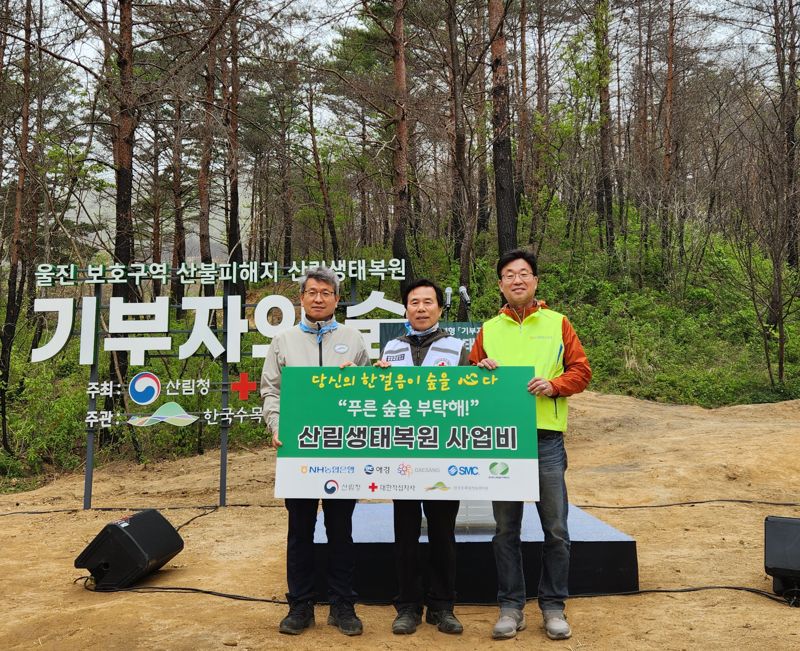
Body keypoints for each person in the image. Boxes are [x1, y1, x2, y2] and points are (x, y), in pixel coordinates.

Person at [468, 249, 591, 641]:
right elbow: (469, 383)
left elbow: (582, 371)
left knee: (555, 528)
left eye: (524, 274)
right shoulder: (488, 329)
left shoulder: (559, 323)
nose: (517, 280)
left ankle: (553, 607)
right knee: (505, 530)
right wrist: (479, 370)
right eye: (509, 274)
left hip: (546, 440)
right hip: (502, 443)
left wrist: (554, 385)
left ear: (535, 281)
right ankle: (510, 606)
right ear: (500, 284)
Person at [260, 266, 371, 636]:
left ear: (337, 299)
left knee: (342, 530)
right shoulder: (284, 340)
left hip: (343, 454)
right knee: (300, 530)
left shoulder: (354, 339)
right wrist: (277, 427)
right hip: (300, 454)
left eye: (326, 292)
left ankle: (343, 605)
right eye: (312, 292)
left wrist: (356, 382)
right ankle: (301, 606)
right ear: (302, 298)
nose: (319, 298)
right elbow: (271, 391)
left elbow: (369, 392)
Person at [376, 279, 469, 636]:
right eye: (414, 302)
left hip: (444, 455)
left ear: (439, 309)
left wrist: (486, 372)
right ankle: (408, 606)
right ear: (405, 309)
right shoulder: (391, 348)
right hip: (402, 455)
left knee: (443, 533)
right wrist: (376, 377)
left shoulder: (457, 347)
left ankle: (443, 606)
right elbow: (379, 403)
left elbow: (473, 397)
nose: (420, 308)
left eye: (428, 302)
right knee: (405, 532)